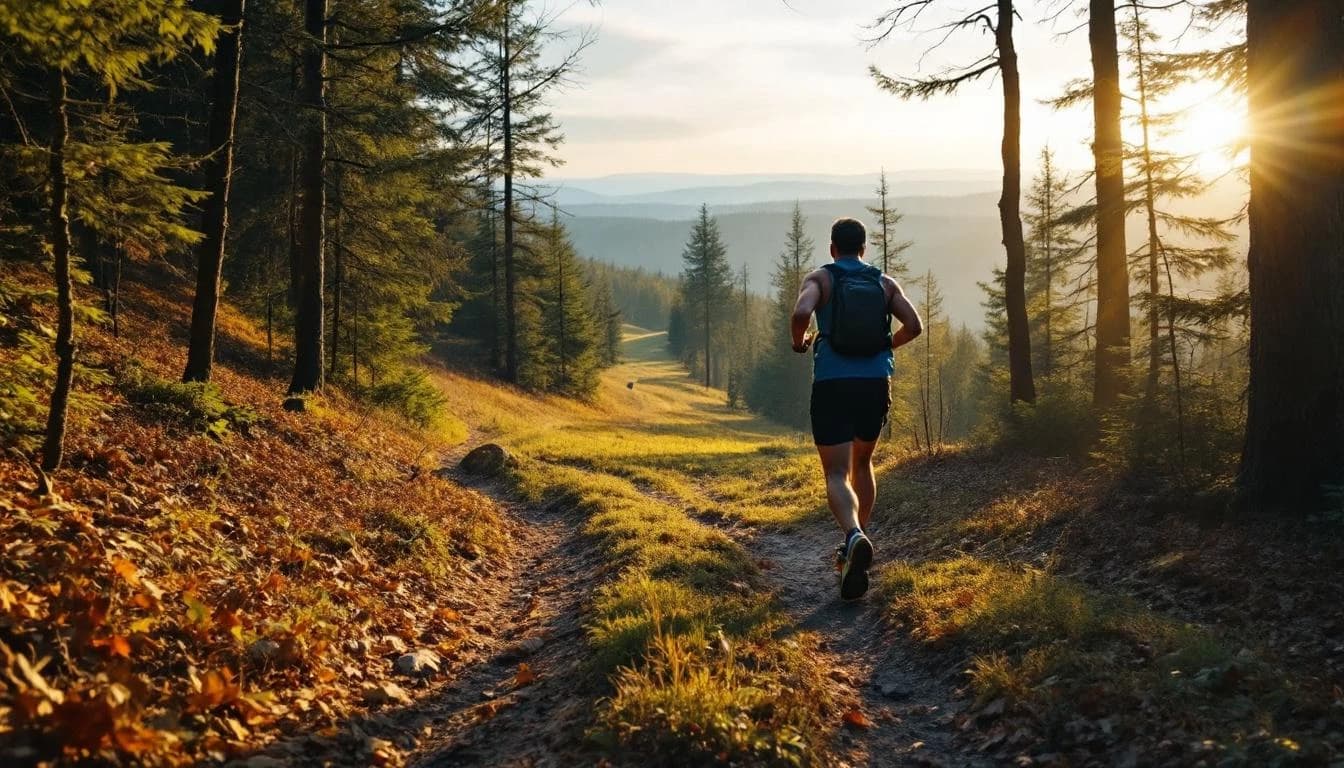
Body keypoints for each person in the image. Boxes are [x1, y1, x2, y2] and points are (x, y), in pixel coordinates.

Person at [790, 217, 922, 600]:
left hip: (833, 383)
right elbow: (914, 325)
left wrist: (800, 343)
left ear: (833, 248)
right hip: (874, 383)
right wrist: (884, 348)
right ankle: (857, 543)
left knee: (835, 471)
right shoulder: (884, 283)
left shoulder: (821, 279)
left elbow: (801, 314)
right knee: (863, 464)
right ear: (863, 249)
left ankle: (853, 536)